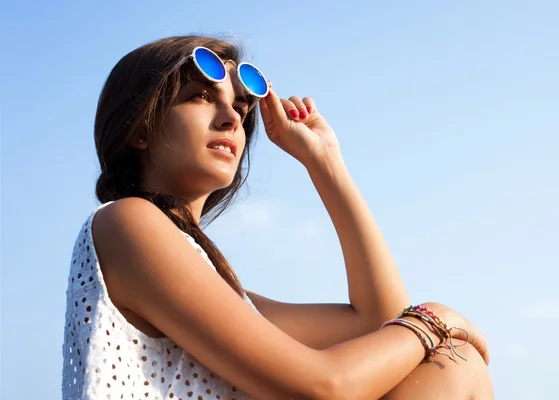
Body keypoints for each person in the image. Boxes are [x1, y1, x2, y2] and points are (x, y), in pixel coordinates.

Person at [62, 35, 493, 400]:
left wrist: (325, 163)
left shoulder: (223, 290)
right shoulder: (126, 222)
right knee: (455, 365)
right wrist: (436, 317)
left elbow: (380, 322)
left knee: (448, 366)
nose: (231, 117)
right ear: (139, 129)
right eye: (200, 95)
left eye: (242, 108)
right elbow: (326, 385)